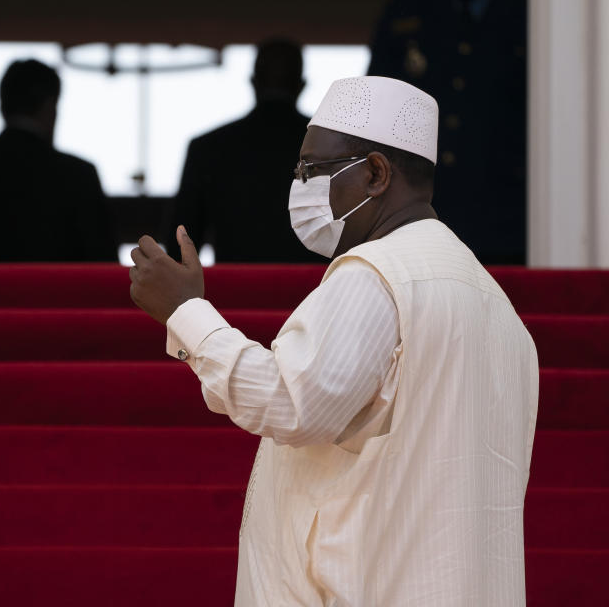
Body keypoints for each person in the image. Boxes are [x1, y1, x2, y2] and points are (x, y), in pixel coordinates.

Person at [129, 76, 538, 605]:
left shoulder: (376, 273)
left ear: (374, 174)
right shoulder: (493, 303)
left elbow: (292, 403)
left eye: (311, 169)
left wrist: (186, 313)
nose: (299, 186)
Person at [368, 0, 527, 264]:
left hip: (505, 213)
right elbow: (379, 108)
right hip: (419, 205)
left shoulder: (529, 9)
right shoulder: (406, 9)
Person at [0, 59, 117, 262]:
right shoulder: (78, 175)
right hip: (58, 293)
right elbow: (103, 261)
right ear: (50, 106)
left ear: (2, 105)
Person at [164, 38, 322, 263]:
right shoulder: (332, 148)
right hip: (315, 290)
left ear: (253, 82)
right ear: (301, 85)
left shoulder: (208, 148)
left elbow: (180, 245)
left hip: (232, 291)